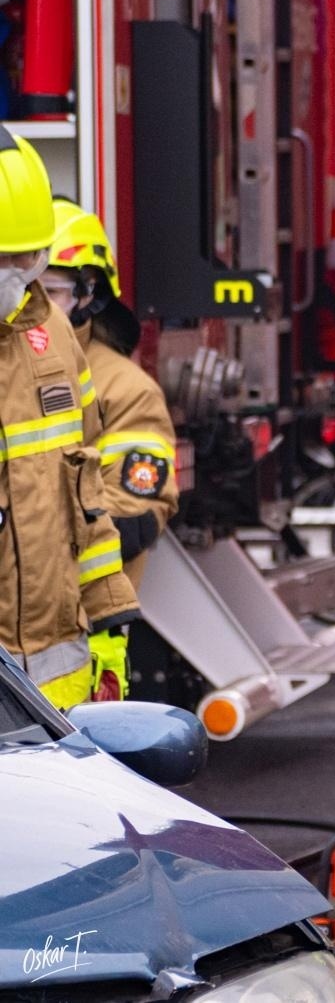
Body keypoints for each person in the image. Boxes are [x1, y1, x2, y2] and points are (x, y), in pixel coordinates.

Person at [0, 127, 141, 707]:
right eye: (3, 256)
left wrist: (109, 627)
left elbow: (87, 499)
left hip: (59, 688)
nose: (17, 272)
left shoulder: (53, 336)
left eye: (29, 256)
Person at [43, 201, 179, 591]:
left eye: (50, 292)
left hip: (75, 613)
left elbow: (131, 519)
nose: (31, 306)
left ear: (88, 294)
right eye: (20, 289)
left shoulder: (125, 390)